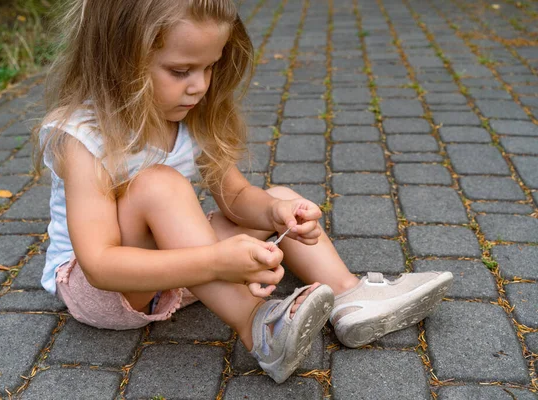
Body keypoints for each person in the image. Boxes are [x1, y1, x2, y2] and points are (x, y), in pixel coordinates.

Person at [33, 0, 453, 384]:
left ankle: (349, 299)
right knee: (159, 184)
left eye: (209, 67)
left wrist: (275, 214)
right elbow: (101, 265)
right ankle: (259, 326)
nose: (199, 86)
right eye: (181, 71)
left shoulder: (188, 117)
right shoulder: (82, 134)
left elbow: (234, 196)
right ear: (118, 61)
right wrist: (217, 261)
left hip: (167, 276)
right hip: (99, 291)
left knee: (279, 199)